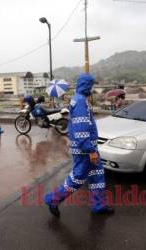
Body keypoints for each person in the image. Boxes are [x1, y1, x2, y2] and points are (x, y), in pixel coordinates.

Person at [44, 73, 114, 217]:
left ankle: (98, 206)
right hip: (85, 151)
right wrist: (90, 151)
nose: (91, 88)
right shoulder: (81, 101)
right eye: (91, 86)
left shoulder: (77, 99)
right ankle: (53, 200)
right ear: (86, 85)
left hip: (87, 149)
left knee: (97, 176)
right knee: (77, 178)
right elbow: (81, 130)